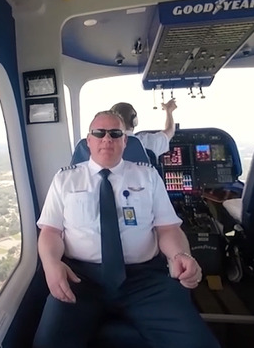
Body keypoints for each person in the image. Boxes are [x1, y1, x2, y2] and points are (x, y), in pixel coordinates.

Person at [33, 110, 219, 348]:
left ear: (125, 140)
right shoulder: (64, 180)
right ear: (88, 141)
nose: (106, 139)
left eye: (115, 133)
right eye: (99, 133)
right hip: (81, 279)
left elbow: (168, 229)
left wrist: (179, 255)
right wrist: (50, 265)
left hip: (145, 280)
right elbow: (50, 232)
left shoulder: (148, 176)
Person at [111, 98, 177, 158]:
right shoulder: (147, 141)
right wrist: (169, 111)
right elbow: (170, 130)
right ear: (134, 121)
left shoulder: (104, 145)